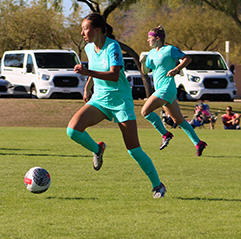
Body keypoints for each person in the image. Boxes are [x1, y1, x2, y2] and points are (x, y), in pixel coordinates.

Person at [67, 13, 166, 198]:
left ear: (97, 30)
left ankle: (158, 185)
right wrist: (87, 87)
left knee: (134, 149)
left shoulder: (113, 46)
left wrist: (87, 72)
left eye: (85, 28)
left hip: (120, 101)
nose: (82, 32)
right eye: (82, 29)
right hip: (100, 99)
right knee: (73, 130)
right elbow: (95, 69)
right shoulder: (89, 48)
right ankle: (98, 149)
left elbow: (113, 75)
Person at [140, 26, 208, 157]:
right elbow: (146, 71)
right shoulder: (151, 53)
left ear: (157, 38)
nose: (148, 40)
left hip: (167, 88)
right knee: (178, 120)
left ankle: (165, 134)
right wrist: (142, 63)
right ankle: (199, 143)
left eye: (150, 38)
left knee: (145, 111)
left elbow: (187, 59)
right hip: (160, 89)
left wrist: (176, 69)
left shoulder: (169, 49)